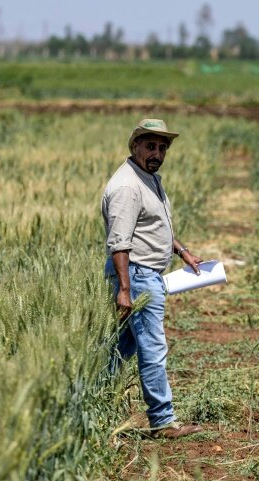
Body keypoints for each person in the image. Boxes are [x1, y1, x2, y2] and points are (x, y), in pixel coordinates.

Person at [101, 118, 204, 439]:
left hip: (144, 276)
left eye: (162, 148)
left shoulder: (148, 178)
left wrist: (183, 252)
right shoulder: (128, 187)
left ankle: (93, 403)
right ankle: (162, 421)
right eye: (150, 146)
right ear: (134, 146)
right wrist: (125, 290)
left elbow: (155, 227)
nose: (157, 153)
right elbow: (120, 242)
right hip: (136, 276)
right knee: (153, 348)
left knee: (120, 349)